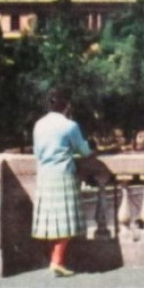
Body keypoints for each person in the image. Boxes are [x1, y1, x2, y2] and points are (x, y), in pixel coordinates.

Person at [31, 87, 94, 277]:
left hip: (44, 175)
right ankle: (57, 262)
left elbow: (37, 153)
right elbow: (84, 151)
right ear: (67, 105)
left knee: (52, 222)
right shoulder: (69, 126)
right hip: (63, 174)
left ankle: (55, 259)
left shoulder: (38, 125)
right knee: (66, 221)